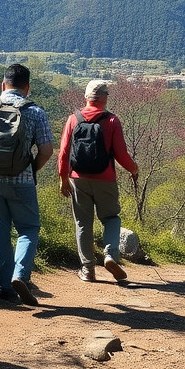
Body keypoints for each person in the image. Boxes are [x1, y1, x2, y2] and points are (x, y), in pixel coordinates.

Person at [0, 62, 53, 306]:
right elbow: (46, 150)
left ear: (2, 85)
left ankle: (4, 286)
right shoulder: (35, 112)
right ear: (27, 88)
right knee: (28, 228)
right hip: (22, 180)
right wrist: (31, 168)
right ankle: (21, 275)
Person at [57, 79, 138, 283]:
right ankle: (110, 255)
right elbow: (120, 153)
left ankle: (88, 269)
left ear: (87, 98)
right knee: (111, 218)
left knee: (83, 223)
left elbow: (64, 152)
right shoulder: (111, 121)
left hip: (78, 179)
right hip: (105, 178)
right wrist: (133, 169)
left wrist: (63, 178)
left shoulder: (73, 119)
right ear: (104, 98)